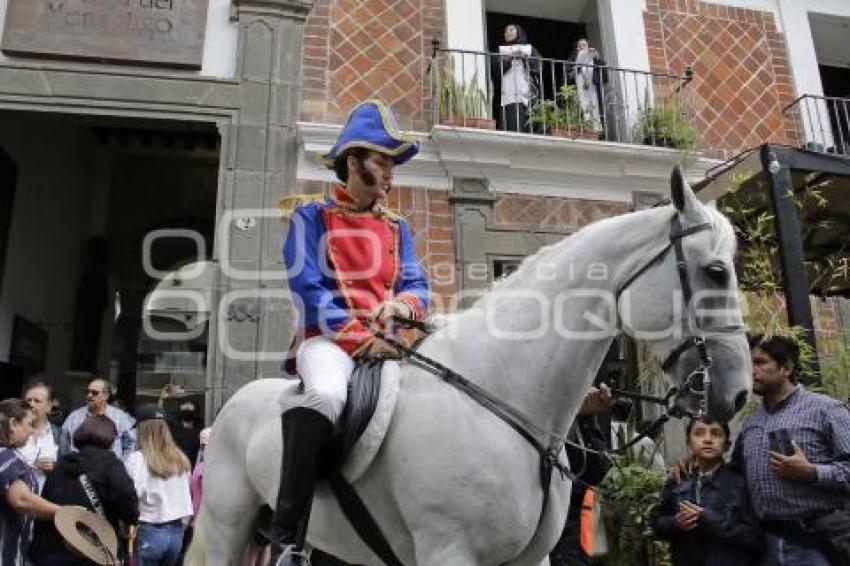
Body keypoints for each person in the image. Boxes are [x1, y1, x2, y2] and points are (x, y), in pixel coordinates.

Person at [273, 100, 429, 563]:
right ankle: (287, 538)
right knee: (325, 396)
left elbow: (417, 283)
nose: (390, 173)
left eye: (392, 164)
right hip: (330, 341)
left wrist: (401, 304)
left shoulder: (398, 228)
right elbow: (307, 287)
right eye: (382, 161)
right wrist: (360, 336)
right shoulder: (311, 217)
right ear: (354, 162)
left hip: (390, 343)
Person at [670, 334, 850, 565]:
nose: (751, 371)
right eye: (747, 363)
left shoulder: (827, 410)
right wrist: (694, 464)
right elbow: (734, 474)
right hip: (766, 544)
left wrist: (811, 472)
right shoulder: (752, 423)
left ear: (786, 368)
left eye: (760, 362)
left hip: (819, 543)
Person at [651, 417, 762, 565]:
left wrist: (710, 520)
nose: (708, 440)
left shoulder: (740, 484)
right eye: (699, 433)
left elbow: (754, 537)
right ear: (688, 443)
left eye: (716, 434)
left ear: (727, 445)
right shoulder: (678, 479)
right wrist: (675, 523)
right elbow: (658, 523)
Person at [31, 414, 139, 565]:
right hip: (93, 548)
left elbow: (47, 499)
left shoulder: (63, 464)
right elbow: (127, 497)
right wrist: (131, 519)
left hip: (55, 545)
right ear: (110, 438)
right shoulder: (111, 464)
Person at [125, 404, 193, 566]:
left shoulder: (137, 460)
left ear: (142, 430)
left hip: (149, 530)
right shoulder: (181, 459)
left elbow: (132, 495)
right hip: (176, 534)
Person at [0, 398, 60, 565]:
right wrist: (64, 512)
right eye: (29, 424)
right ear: (13, 424)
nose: (33, 431)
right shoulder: (5, 457)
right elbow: (21, 499)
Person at [60, 377, 136, 460]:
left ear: (106, 396)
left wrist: (122, 464)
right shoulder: (74, 417)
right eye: (87, 392)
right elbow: (64, 445)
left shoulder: (120, 417)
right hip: (80, 470)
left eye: (94, 393)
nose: (89, 395)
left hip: (110, 469)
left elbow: (131, 443)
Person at [492, 24, 541, 133]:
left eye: (511, 29)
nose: (508, 32)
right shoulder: (501, 51)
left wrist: (523, 58)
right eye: (505, 31)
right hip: (507, 95)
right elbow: (495, 71)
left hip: (525, 94)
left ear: (518, 32)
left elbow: (538, 66)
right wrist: (509, 60)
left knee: (525, 119)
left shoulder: (529, 49)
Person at [18, 381, 61, 492]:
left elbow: (67, 470)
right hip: (15, 501)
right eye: (28, 400)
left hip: (47, 500)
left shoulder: (59, 434)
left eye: (37, 401)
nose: (31, 404)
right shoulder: (13, 432)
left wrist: (54, 467)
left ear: (49, 407)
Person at [566, 38, 606, 131]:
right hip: (581, 85)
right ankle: (586, 126)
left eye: (584, 45)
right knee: (583, 103)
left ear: (588, 46)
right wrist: (577, 65)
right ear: (577, 48)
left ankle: (597, 128)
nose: (582, 47)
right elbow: (569, 70)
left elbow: (602, 67)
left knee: (595, 104)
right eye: (580, 45)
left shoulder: (593, 56)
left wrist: (596, 56)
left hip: (593, 86)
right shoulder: (575, 56)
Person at [158, 385, 202, 466]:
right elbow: (159, 417)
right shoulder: (174, 427)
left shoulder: (198, 434)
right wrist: (162, 399)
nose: (185, 411)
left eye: (188, 409)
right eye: (184, 408)